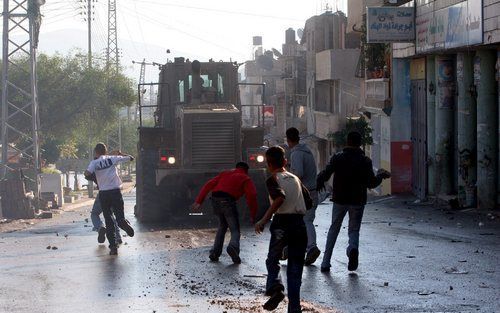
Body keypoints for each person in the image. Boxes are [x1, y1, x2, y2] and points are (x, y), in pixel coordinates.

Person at [316, 131, 391, 272]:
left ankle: (325, 263)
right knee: (354, 229)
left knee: (334, 229)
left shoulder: (338, 158)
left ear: (347, 142)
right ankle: (352, 249)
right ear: (360, 144)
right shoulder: (365, 161)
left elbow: (325, 174)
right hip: (358, 200)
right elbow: (371, 183)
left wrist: (318, 182)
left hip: (340, 199)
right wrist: (380, 176)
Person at [255, 146, 312, 313]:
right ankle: (294, 308)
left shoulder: (273, 179)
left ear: (269, 164)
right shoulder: (295, 178)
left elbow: (279, 198)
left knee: (272, 260)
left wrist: (263, 220)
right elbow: (308, 203)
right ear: (285, 162)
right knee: (295, 268)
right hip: (299, 225)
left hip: (281, 223)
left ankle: (277, 289)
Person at [191, 162, 258, 264]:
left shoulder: (225, 173)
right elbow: (252, 196)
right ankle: (233, 248)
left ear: (236, 168)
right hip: (228, 201)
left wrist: (198, 201)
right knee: (235, 229)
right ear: (246, 170)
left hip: (215, 199)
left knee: (222, 226)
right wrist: (254, 216)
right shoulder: (245, 178)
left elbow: (208, 185)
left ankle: (214, 253)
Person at [85, 143, 135, 255]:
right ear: (105, 151)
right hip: (116, 192)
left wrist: (94, 173)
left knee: (108, 220)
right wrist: (121, 154)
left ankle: (113, 248)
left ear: (96, 152)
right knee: (119, 217)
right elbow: (131, 158)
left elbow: (87, 173)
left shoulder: (94, 163)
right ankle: (123, 224)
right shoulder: (112, 159)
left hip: (104, 194)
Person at [286, 127, 320, 266]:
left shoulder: (296, 154)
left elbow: (298, 173)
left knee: (293, 221)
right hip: (312, 190)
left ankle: (290, 249)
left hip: (303, 193)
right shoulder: (307, 151)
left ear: (288, 140)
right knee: (307, 221)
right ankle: (311, 247)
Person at [84, 170, 122, 244]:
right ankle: (118, 237)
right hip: (114, 194)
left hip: (103, 194)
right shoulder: (111, 168)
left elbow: (87, 175)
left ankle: (100, 227)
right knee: (111, 215)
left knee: (94, 214)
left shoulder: (97, 170)